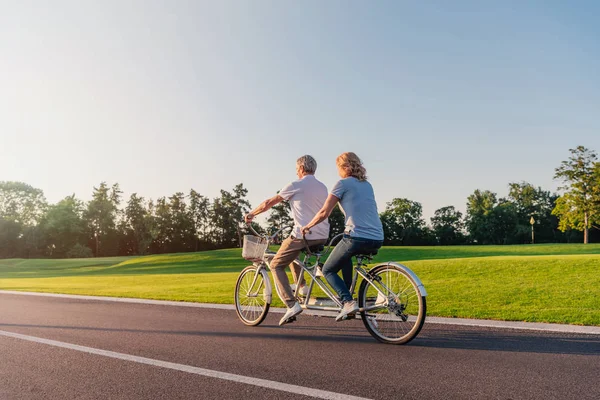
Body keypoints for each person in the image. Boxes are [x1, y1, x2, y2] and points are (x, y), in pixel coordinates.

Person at [245, 155, 330, 325]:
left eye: (296, 169)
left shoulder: (296, 185)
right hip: (323, 235)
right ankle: (303, 287)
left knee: (276, 264)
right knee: (290, 250)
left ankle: (291, 304)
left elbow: (269, 202)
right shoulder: (322, 187)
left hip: (305, 235)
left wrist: (252, 214)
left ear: (300, 169)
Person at [301, 152, 383, 321]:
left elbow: (324, 212)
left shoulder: (342, 184)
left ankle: (347, 302)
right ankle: (347, 292)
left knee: (327, 269)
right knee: (344, 252)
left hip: (356, 237)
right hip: (377, 237)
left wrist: (308, 226)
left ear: (344, 167)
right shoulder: (367, 185)